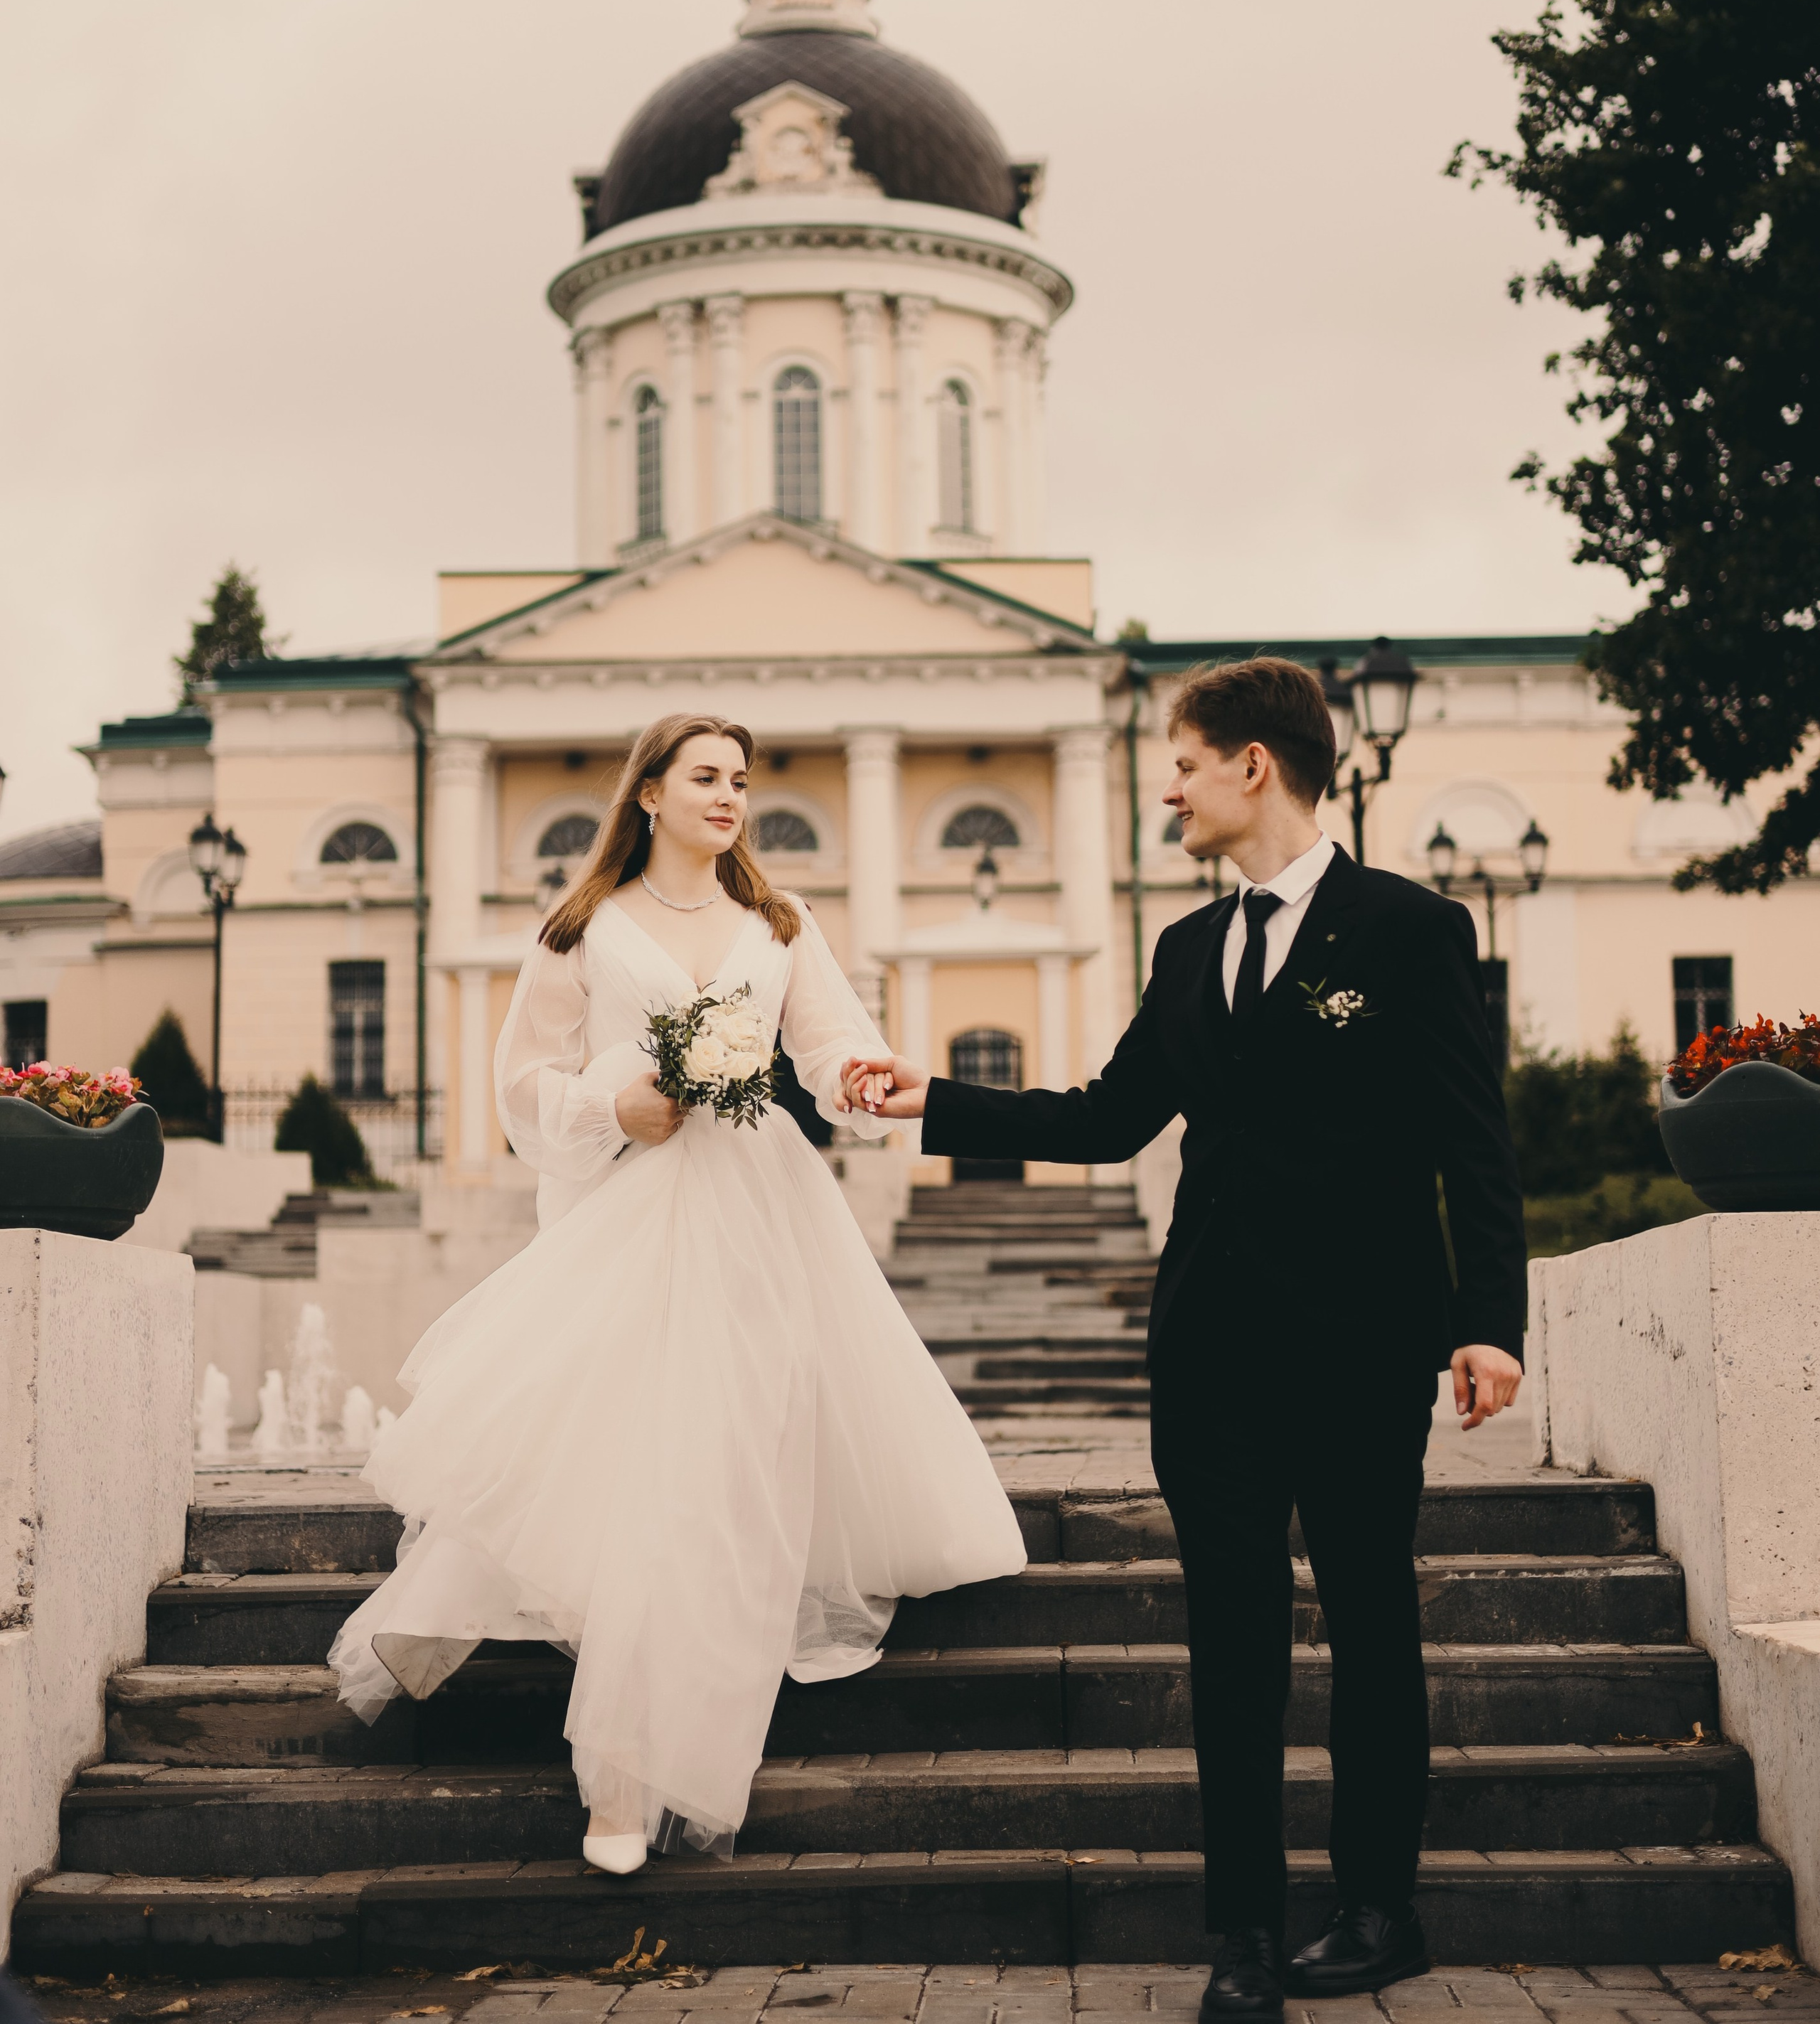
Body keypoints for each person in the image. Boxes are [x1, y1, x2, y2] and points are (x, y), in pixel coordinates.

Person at [841, 658, 1527, 2015]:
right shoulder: (1186, 949)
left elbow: (1473, 1138)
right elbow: (1106, 1119)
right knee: (1232, 1640)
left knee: (1373, 1618)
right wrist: (937, 1101)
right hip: (1211, 1351)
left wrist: (1486, 1322)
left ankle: (1382, 1909)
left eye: (1184, 763)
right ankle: (1247, 1940)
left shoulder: (1410, 928)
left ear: (1254, 765)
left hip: (1360, 1340)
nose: (1167, 787)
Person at [329, 712, 1025, 1876]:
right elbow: (522, 1087)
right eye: (706, 776)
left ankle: (651, 1755)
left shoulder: (782, 920)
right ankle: (613, 1773)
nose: (730, 796)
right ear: (647, 791)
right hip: (635, 1211)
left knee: (723, 1457)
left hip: (760, 1209)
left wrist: (863, 1081)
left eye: (741, 780)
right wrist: (617, 1108)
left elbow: (830, 1051)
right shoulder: (584, 926)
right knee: (616, 1445)